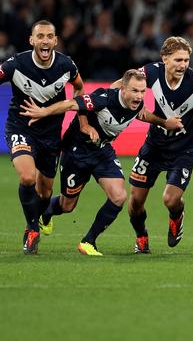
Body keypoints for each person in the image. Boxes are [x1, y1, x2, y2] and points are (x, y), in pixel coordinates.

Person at [20, 70, 183, 255]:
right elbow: (72, 103)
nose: (139, 96)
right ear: (123, 89)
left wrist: (164, 123)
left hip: (102, 151)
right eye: (135, 91)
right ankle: (46, 213)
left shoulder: (137, 104)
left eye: (142, 91)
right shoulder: (104, 99)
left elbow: (143, 115)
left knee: (119, 196)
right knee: (67, 206)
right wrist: (47, 113)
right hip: (77, 152)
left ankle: (89, 241)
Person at [125, 37, 193, 253]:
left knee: (171, 199)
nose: (183, 65)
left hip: (183, 150)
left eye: (186, 60)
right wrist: (116, 97)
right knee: (135, 202)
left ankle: (177, 216)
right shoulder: (151, 72)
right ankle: (141, 236)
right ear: (164, 59)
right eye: (178, 59)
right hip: (154, 146)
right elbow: (124, 85)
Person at [0, 20, 85, 254]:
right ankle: (31, 229)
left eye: (49, 36)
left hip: (50, 136)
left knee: (45, 193)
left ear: (55, 41)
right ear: (32, 40)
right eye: (40, 36)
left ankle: (43, 215)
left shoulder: (66, 65)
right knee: (27, 177)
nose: (45, 41)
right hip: (21, 127)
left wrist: (80, 116)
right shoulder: (16, 64)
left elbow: (79, 88)